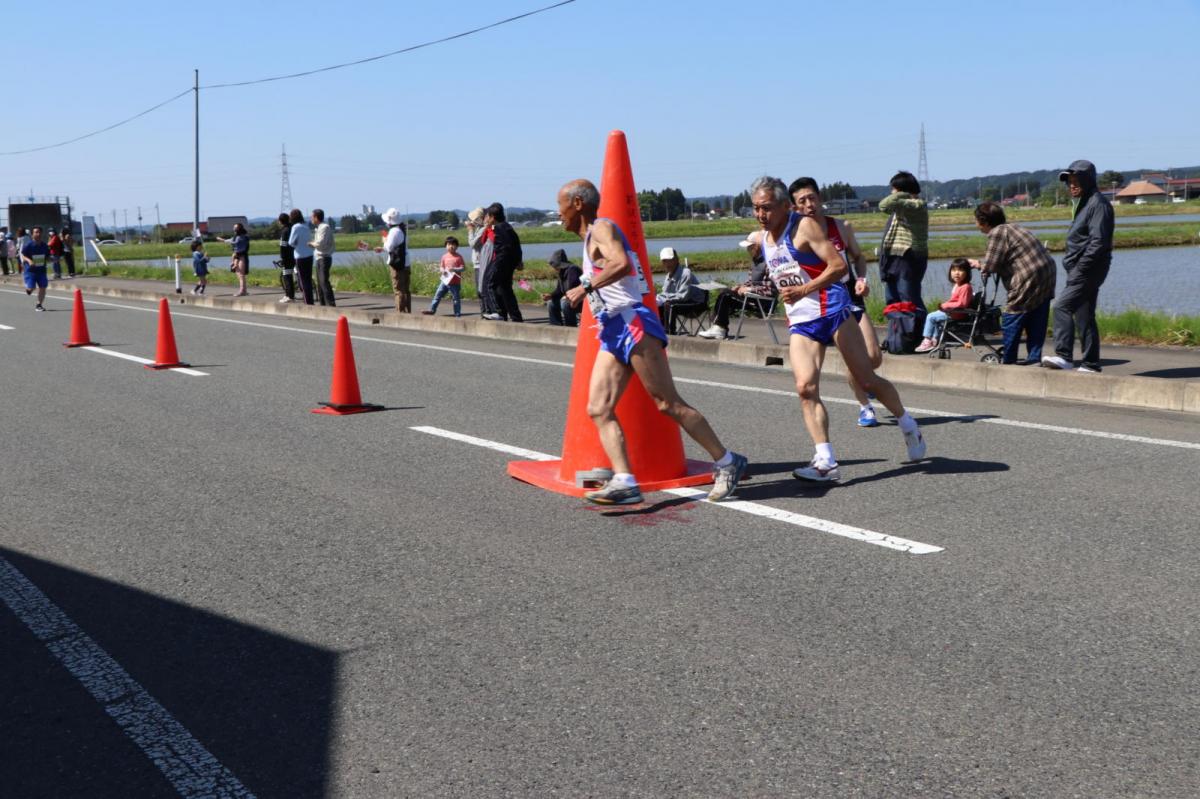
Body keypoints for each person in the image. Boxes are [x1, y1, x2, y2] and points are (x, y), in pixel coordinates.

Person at [558, 178, 748, 505]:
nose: (557, 213)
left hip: (633, 323)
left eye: (560, 204)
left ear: (577, 203)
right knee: (598, 408)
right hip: (613, 329)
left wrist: (585, 288)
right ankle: (625, 481)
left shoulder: (602, 228)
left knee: (667, 403)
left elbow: (622, 264)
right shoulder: (589, 238)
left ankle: (728, 461)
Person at [748, 176, 925, 483]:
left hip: (833, 311)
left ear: (783, 206)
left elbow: (838, 266)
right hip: (802, 321)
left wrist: (805, 289)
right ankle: (825, 460)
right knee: (805, 388)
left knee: (866, 378)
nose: (761, 214)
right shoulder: (760, 239)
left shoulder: (804, 227)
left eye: (766, 208)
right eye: (755, 208)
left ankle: (907, 424)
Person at [790, 177, 885, 428]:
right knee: (844, 366)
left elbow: (858, 257)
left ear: (820, 199)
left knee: (873, 357)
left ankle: (863, 379)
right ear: (794, 207)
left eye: (812, 198)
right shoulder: (794, 235)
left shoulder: (841, 226)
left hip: (848, 293)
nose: (809, 204)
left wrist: (862, 278)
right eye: (802, 201)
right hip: (818, 301)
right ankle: (865, 406)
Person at [1042, 160, 1114, 373]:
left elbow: (1098, 241)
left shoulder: (1097, 204)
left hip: (1087, 270)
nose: (1072, 185)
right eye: (1069, 182)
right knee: (1084, 316)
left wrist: (1081, 268)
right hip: (1082, 269)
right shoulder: (1085, 203)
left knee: (1062, 306)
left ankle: (1064, 357)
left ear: (1089, 180)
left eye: (1076, 181)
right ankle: (1091, 364)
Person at [966, 202, 1057, 365]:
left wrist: (977, 264)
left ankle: (1009, 360)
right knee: (1037, 315)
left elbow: (990, 265)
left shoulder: (997, 232)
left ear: (983, 221)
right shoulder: (1013, 227)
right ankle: (1034, 358)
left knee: (1012, 315)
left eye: (976, 220)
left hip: (1027, 276)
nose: (976, 225)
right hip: (1047, 273)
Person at [697, 237, 775, 339]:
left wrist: (748, 290)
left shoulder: (769, 263)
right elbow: (752, 282)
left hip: (763, 304)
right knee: (724, 293)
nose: (748, 251)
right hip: (753, 298)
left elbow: (772, 290)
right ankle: (718, 327)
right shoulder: (755, 262)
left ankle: (720, 329)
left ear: (756, 247)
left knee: (726, 295)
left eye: (749, 247)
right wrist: (741, 286)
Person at [877, 170, 929, 314]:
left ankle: (922, 332)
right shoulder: (901, 206)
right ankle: (898, 333)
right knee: (892, 298)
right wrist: (900, 193)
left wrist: (901, 193)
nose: (891, 192)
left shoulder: (917, 205)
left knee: (909, 298)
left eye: (893, 188)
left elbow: (883, 205)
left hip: (909, 256)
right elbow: (886, 206)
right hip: (895, 256)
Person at [915, 259, 974, 353]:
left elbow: (962, 304)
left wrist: (945, 305)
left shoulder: (966, 287)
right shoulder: (958, 285)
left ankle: (927, 340)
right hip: (952, 311)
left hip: (956, 313)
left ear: (967, 273)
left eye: (960, 270)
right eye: (954, 270)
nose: (956, 273)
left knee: (930, 317)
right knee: (935, 317)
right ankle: (934, 339)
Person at [483, 203, 523, 322]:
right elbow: (517, 245)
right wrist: (518, 260)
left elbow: (507, 246)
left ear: (492, 217)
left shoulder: (499, 227)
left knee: (489, 283)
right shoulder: (507, 226)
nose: (486, 219)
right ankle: (516, 317)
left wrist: (501, 261)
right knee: (505, 288)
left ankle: (497, 311)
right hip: (509, 261)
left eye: (487, 216)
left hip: (501, 260)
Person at [654, 247, 707, 335]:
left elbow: (683, 296)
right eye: (664, 261)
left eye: (669, 260)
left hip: (696, 304)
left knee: (669, 304)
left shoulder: (686, 273)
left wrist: (662, 298)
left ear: (676, 260)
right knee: (659, 304)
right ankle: (661, 330)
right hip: (683, 302)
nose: (667, 263)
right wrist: (657, 298)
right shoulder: (668, 276)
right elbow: (665, 293)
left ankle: (670, 332)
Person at [423, 236, 465, 316]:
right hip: (445, 281)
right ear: (446, 246)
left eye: (453, 244)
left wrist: (455, 269)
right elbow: (441, 267)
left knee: (456, 299)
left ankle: (457, 313)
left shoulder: (458, 257)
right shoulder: (444, 256)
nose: (451, 246)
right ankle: (432, 310)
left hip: (455, 282)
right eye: (449, 244)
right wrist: (442, 271)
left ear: (457, 246)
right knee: (437, 295)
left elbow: (463, 268)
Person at [543, 248, 582, 327]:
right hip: (568, 298)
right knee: (551, 303)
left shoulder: (573, 270)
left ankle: (570, 326)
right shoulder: (561, 272)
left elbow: (574, 285)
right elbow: (559, 290)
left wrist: (566, 296)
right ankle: (556, 325)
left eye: (555, 265)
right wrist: (550, 295)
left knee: (564, 303)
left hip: (579, 299)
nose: (554, 268)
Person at [381, 207, 410, 313]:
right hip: (406, 262)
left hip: (397, 264)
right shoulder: (403, 230)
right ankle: (407, 311)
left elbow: (388, 247)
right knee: (406, 289)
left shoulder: (394, 231)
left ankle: (400, 313)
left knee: (398, 290)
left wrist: (384, 240)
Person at [19, 226, 50, 311]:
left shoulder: (44, 245)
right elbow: (23, 255)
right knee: (31, 288)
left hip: (41, 270)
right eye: (36, 232)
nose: (38, 234)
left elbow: (47, 257)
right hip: (30, 271)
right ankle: (29, 289)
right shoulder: (29, 245)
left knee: (43, 287)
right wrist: (29, 261)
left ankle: (39, 305)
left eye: (39, 232)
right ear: (32, 234)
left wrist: (53, 259)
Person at [287, 208, 314, 304]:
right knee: (308, 279)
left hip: (300, 255)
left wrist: (296, 244)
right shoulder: (306, 225)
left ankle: (307, 302)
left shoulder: (295, 227)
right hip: (310, 254)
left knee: (302, 281)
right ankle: (310, 300)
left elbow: (291, 242)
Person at [309, 209, 336, 307]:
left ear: (316, 217)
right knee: (320, 282)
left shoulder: (324, 227)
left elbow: (320, 243)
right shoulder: (319, 227)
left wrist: (311, 243)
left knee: (324, 281)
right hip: (319, 257)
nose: (311, 219)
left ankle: (331, 303)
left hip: (324, 257)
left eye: (312, 217)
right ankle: (323, 304)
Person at [276, 212, 296, 303]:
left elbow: (283, 246)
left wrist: (283, 258)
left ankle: (289, 296)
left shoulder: (285, 231)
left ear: (280, 221)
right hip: (294, 254)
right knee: (290, 275)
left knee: (287, 276)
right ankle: (289, 295)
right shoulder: (292, 228)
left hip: (287, 257)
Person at [229, 222, 250, 297]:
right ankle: (244, 290)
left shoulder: (243, 237)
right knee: (238, 273)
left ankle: (242, 291)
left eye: (235, 228)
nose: (234, 229)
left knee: (241, 274)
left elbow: (238, 246)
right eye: (234, 227)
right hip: (236, 256)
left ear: (239, 229)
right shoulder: (236, 236)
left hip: (242, 256)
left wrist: (226, 241)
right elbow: (233, 243)